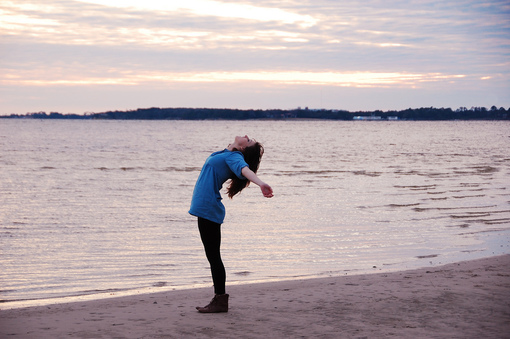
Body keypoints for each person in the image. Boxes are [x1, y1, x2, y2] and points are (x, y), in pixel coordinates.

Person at [189, 135, 273, 313]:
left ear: (243, 149)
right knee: (212, 256)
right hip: (206, 208)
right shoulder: (227, 153)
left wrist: (261, 184)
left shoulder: (235, 157)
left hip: (208, 208)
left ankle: (220, 300)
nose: (247, 137)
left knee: (213, 256)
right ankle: (219, 299)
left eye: (249, 141)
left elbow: (245, 170)